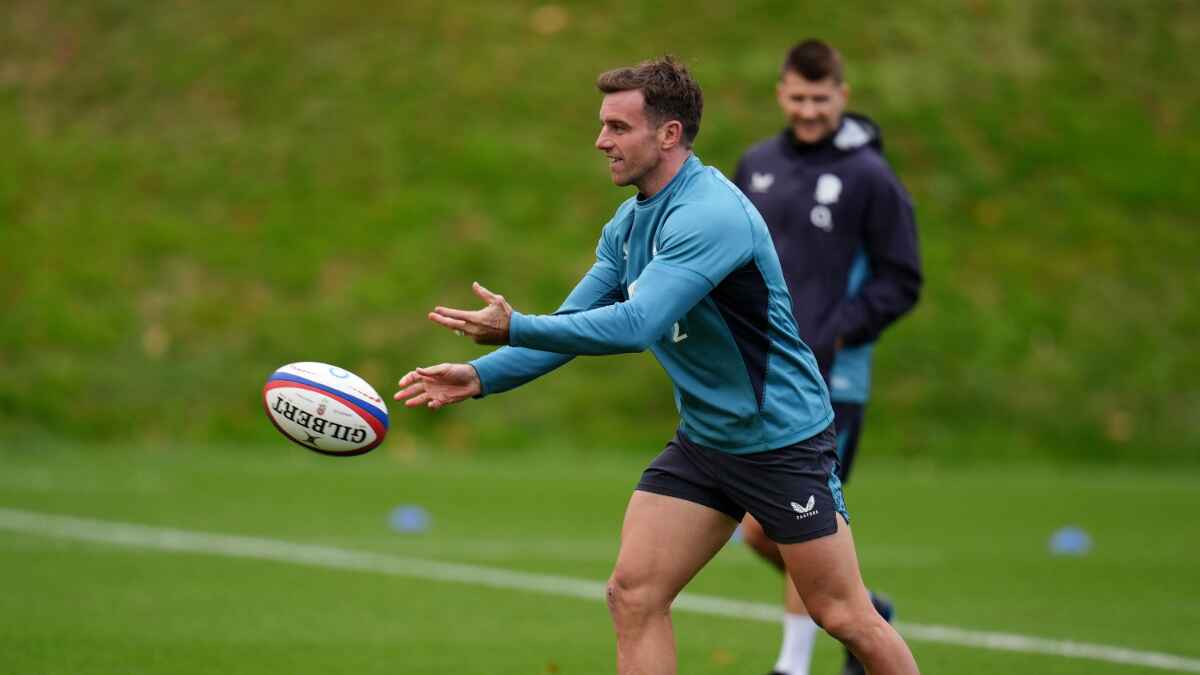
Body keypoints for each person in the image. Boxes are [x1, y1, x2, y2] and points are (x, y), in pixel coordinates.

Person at [394, 56, 920, 675]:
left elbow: (636, 325)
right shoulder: (630, 222)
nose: (601, 141)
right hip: (705, 443)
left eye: (618, 127)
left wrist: (515, 325)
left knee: (846, 616)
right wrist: (482, 376)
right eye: (602, 125)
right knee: (634, 594)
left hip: (780, 441)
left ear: (668, 134)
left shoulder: (710, 215)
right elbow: (569, 325)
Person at [732, 39, 923, 675]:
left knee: (797, 520)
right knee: (761, 529)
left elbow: (902, 278)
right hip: (763, 377)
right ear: (781, 94)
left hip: (833, 382)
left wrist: (837, 331)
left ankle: (793, 665)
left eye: (821, 99)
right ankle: (864, 610)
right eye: (798, 97)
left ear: (842, 95)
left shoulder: (870, 176)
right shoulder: (756, 164)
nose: (809, 110)